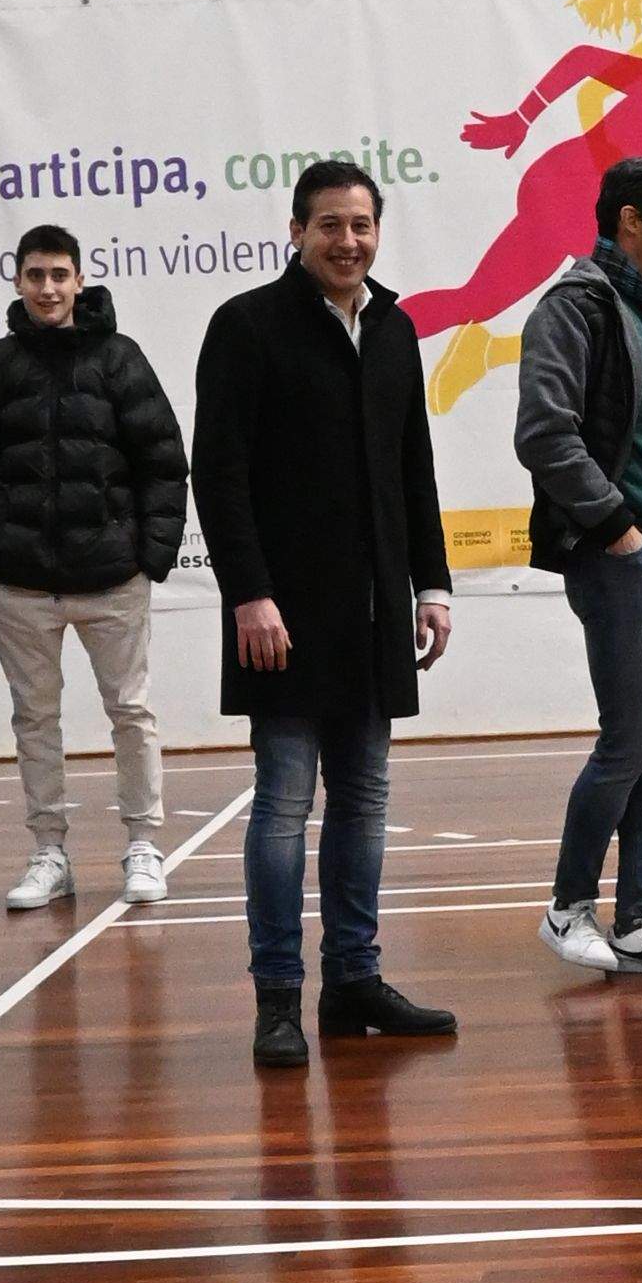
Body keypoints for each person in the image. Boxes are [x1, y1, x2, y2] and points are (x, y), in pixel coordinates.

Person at [191, 157, 455, 1075]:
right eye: (331, 225)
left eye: (363, 224)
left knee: (366, 804)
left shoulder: (396, 327)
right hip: (284, 617)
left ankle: (353, 983)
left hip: (377, 613)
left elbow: (412, 462)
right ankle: (277, 999)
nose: (349, 241)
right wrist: (249, 594)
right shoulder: (247, 327)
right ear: (296, 232)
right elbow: (217, 475)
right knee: (284, 806)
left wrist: (434, 582)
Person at [0, 222, 187, 917]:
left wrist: (151, 559)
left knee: (131, 713)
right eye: (35, 275)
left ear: (80, 279)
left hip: (112, 580)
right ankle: (49, 852)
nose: (48, 288)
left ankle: (144, 845)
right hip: (19, 584)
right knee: (34, 720)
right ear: (18, 281)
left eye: (59, 274)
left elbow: (163, 462)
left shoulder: (120, 359)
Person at [518, 149, 642, 980]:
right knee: (628, 742)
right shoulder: (577, 306)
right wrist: (620, 533)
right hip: (626, 553)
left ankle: (638, 921)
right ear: (630, 222)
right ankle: (569, 910)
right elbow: (545, 434)